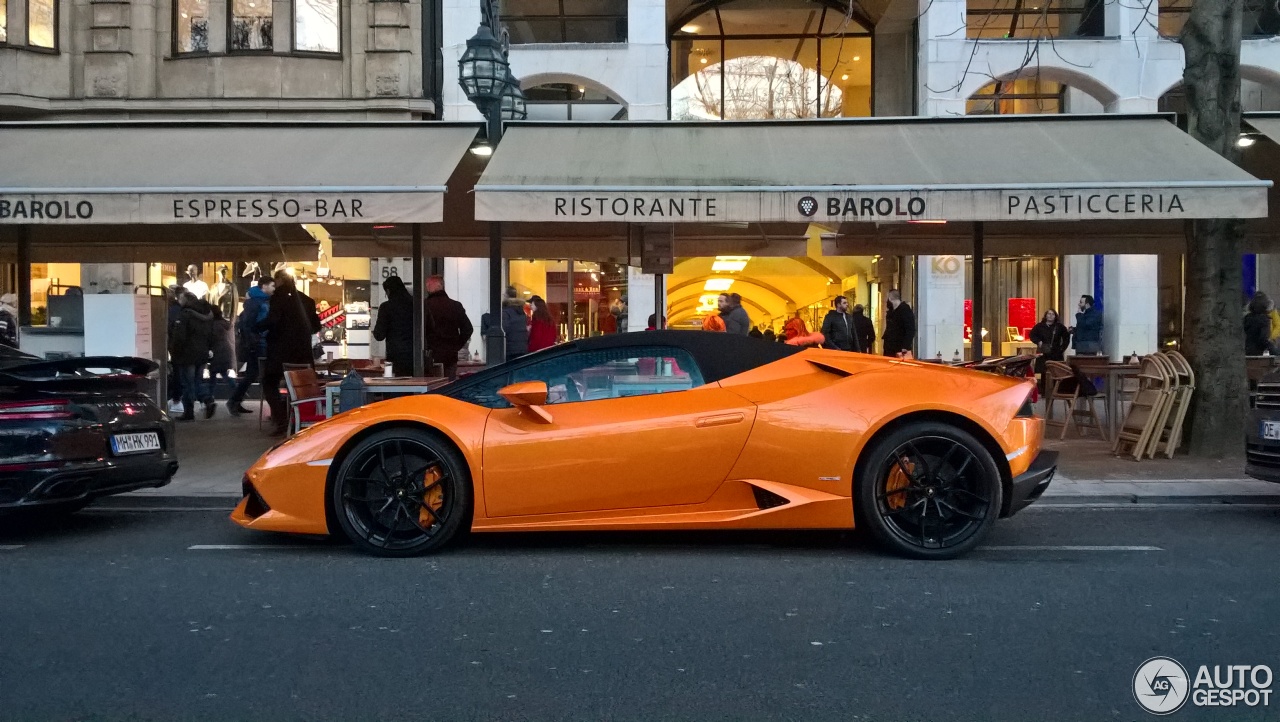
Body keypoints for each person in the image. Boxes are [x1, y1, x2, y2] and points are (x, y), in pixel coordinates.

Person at [257, 271, 317, 436]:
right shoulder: (307, 300)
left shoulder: (278, 297)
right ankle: (301, 419)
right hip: (303, 353)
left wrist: (257, 327)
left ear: (280, 280)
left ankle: (282, 420)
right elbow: (316, 326)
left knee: (269, 382)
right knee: (300, 386)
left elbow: (273, 320)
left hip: (280, 353)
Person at [228, 277, 274, 415]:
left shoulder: (257, 301)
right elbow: (249, 323)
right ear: (264, 286)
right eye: (272, 285)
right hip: (258, 342)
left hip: (257, 341)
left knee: (252, 374)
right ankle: (234, 401)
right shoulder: (256, 302)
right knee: (258, 373)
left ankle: (235, 400)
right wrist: (254, 340)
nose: (274, 288)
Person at [169, 291, 217, 421]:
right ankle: (208, 400)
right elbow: (212, 334)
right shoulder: (207, 314)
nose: (179, 301)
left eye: (181, 298)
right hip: (202, 353)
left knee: (187, 383)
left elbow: (179, 337)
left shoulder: (185, 315)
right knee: (197, 381)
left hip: (186, 354)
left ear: (186, 300)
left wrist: (174, 353)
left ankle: (189, 413)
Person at [424, 275, 474, 378]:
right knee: (449, 386)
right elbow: (468, 329)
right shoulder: (455, 305)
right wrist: (456, 345)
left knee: (431, 386)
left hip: (431, 354)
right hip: (450, 355)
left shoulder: (424, 306)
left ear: (429, 287)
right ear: (441, 286)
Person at [371, 274, 420, 375]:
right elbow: (430, 327)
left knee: (399, 386)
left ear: (388, 291)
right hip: (418, 356)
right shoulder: (418, 304)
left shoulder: (386, 307)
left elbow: (379, 335)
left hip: (396, 357)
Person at [1029, 309, 1071, 393]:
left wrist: (1062, 348)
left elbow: (1066, 337)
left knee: (1056, 371)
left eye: (1053, 314)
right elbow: (1032, 335)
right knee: (1044, 371)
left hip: (1056, 353)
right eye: (1049, 314)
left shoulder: (1059, 327)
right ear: (1046, 315)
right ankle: (1045, 391)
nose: (1050, 316)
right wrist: (1038, 342)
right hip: (1044, 352)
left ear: (1055, 316)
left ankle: (1056, 390)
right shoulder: (1040, 326)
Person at [208, 308, 235, 399]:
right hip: (225, 351)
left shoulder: (213, 325)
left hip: (217, 352)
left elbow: (211, 339)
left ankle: (210, 397)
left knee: (213, 375)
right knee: (224, 373)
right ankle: (237, 392)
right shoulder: (224, 324)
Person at [882, 289, 916, 357]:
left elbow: (910, 329)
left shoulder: (905, 310)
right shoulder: (891, 312)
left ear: (890, 299)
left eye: (887, 298)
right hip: (890, 348)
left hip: (900, 349)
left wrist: (905, 346)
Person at [501, 286, 529, 360]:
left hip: (511, 348)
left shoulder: (506, 311)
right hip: (523, 347)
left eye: (504, 295)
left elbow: (504, 328)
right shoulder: (521, 311)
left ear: (506, 296)